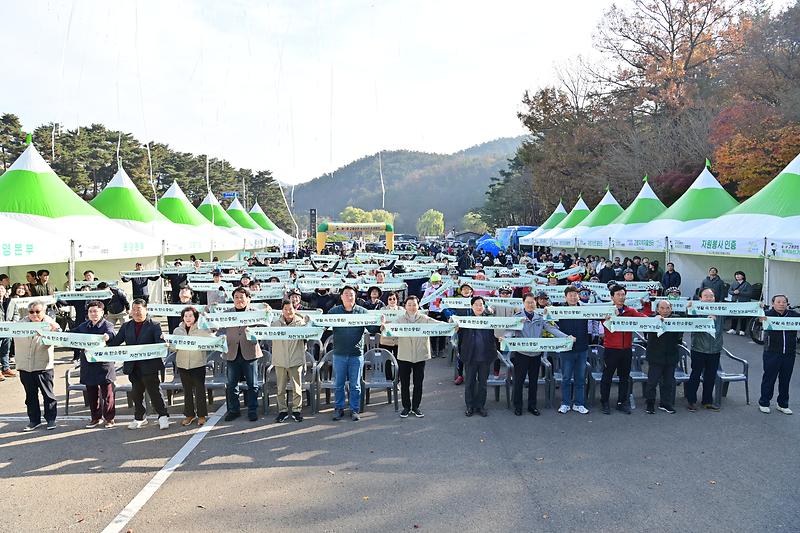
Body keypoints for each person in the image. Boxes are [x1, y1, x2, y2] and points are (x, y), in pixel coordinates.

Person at [105, 299, 170, 429]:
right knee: (136, 393)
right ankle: (140, 417)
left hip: (150, 366)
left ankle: (163, 416)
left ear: (146, 309)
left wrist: (164, 341)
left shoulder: (154, 325)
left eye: (139, 309)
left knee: (155, 392)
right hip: (133, 366)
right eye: (133, 309)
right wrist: (104, 341)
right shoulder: (126, 326)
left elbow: (159, 344)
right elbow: (116, 342)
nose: (135, 312)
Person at [507, 292, 570, 416]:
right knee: (519, 381)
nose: (530, 305)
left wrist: (566, 337)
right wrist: (504, 338)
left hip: (536, 354)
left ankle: (532, 406)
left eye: (532, 302)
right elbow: (509, 331)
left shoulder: (540, 317)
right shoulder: (518, 317)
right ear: (523, 303)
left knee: (533, 381)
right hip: (521, 354)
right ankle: (518, 406)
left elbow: (552, 329)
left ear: (535, 303)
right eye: (528, 302)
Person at [384, 295, 445, 418]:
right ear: (405, 306)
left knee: (418, 383)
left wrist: (451, 325)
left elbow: (438, 325)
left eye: (414, 305)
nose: (412, 307)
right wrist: (384, 326)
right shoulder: (400, 319)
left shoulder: (424, 318)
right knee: (405, 383)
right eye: (409, 305)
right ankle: (406, 407)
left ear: (418, 306)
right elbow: (389, 330)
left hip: (420, 354)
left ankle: (416, 406)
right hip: (404, 355)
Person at [329, 286, 380, 422]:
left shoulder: (362, 312)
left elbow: (372, 329)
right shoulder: (334, 312)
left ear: (355, 297)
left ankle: (354, 409)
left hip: (356, 354)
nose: (348, 297)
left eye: (351, 294)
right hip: (339, 353)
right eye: (346, 294)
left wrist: (381, 324)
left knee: (355, 385)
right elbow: (322, 325)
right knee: (338, 384)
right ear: (341, 297)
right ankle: (339, 408)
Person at [600, 284, 648, 415]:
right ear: (612, 297)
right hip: (611, 349)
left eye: (623, 295)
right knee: (607, 377)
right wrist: (607, 316)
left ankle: (622, 402)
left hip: (626, 349)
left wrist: (656, 318)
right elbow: (590, 315)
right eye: (618, 295)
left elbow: (644, 319)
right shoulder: (606, 311)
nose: (621, 297)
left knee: (624, 377)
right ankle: (604, 402)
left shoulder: (630, 311)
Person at [221, 287, 266, 422]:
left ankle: (252, 410)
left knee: (252, 384)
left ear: (248, 299)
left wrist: (267, 313)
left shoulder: (256, 313)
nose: (239, 300)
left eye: (242, 297)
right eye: (236, 297)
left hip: (250, 352)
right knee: (231, 384)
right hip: (232, 352)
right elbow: (215, 326)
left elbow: (265, 327)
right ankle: (234, 410)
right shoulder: (226, 313)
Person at [15, 301, 60, 431]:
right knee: (30, 396)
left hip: (43, 366)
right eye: (31, 312)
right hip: (25, 367)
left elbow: (59, 337)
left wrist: (53, 332)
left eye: (37, 311)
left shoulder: (51, 324)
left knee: (48, 395)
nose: (34, 314)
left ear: (44, 312)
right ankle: (34, 421)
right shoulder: (19, 325)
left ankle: (51, 419)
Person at [72, 300, 117, 427]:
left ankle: (109, 418)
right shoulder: (84, 326)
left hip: (104, 364)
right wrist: (55, 332)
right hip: (88, 364)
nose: (93, 313)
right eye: (90, 311)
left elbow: (111, 333)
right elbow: (71, 334)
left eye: (96, 311)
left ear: (102, 312)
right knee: (91, 393)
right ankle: (95, 418)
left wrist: (107, 337)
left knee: (107, 393)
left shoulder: (107, 325)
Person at [171, 306, 213, 426]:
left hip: (198, 365)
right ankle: (189, 415)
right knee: (187, 391)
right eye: (186, 316)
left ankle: (201, 415)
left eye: (191, 316)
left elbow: (211, 342)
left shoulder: (201, 330)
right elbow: (173, 348)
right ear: (182, 318)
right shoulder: (177, 331)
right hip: (183, 365)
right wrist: (167, 342)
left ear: (195, 318)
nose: (188, 318)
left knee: (199, 391)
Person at [757, 295, 798, 414]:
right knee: (769, 378)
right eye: (778, 302)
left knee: (785, 379)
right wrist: (759, 314)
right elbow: (757, 321)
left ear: (787, 304)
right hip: (772, 352)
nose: (781, 304)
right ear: (773, 303)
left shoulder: (793, 315)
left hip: (789, 353)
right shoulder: (767, 314)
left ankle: (783, 404)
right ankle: (764, 402)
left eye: (784, 302)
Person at [271, 300, 311, 423]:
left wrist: (309, 323)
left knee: (297, 388)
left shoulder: (301, 324)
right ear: (282, 310)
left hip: (296, 360)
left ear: (295, 310)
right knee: (280, 389)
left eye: (291, 309)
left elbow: (309, 335)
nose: (288, 311)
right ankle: (282, 411)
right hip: (280, 360)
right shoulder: (275, 324)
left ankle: (296, 410)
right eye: (285, 309)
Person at [685, 288, 725, 411]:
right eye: (706, 296)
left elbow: (742, 311)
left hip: (715, 350)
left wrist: (758, 307)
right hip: (699, 349)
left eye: (711, 296)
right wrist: (689, 308)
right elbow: (687, 319)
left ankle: (707, 401)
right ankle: (691, 400)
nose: (709, 298)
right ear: (700, 298)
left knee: (711, 376)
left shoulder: (722, 310)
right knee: (695, 375)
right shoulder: (695, 309)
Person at [457, 296, 496, 417]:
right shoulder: (465, 321)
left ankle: (481, 406)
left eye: (481, 305)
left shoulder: (490, 320)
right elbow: (457, 333)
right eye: (476, 305)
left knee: (483, 384)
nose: (479, 307)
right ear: (472, 306)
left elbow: (498, 333)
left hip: (485, 357)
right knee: (469, 383)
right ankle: (470, 406)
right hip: (470, 357)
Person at [553, 286, 589, 414]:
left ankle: (579, 403)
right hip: (566, 349)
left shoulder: (585, 310)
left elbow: (600, 315)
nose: (573, 297)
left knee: (580, 378)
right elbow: (548, 320)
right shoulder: (560, 310)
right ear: (565, 297)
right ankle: (565, 403)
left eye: (575, 295)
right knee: (566, 378)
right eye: (570, 295)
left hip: (582, 349)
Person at [644, 300, 681, 414]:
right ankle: (650, 403)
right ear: (657, 309)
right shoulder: (651, 319)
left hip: (671, 356)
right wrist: (656, 320)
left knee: (668, 382)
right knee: (652, 382)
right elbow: (646, 331)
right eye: (662, 308)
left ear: (671, 309)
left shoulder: (677, 320)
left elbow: (683, 332)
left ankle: (666, 403)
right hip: (655, 356)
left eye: (667, 308)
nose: (665, 311)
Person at [727, 271, 752, 335]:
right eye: (736, 275)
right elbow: (729, 291)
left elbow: (750, 293)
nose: (737, 276)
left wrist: (740, 293)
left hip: (744, 302)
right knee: (734, 315)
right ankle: (733, 329)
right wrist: (733, 292)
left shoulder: (747, 284)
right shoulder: (733, 283)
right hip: (735, 301)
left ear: (743, 276)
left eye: (739, 275)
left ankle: (742, 330)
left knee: (743, 316)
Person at [0, 284, 14, 379]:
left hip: (8, 330)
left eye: (2, 288)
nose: (0, 290)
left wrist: (13, 321)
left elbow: (15, 312)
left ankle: (6, 368)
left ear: (5, 291)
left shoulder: (10, 301)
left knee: (5, 351)